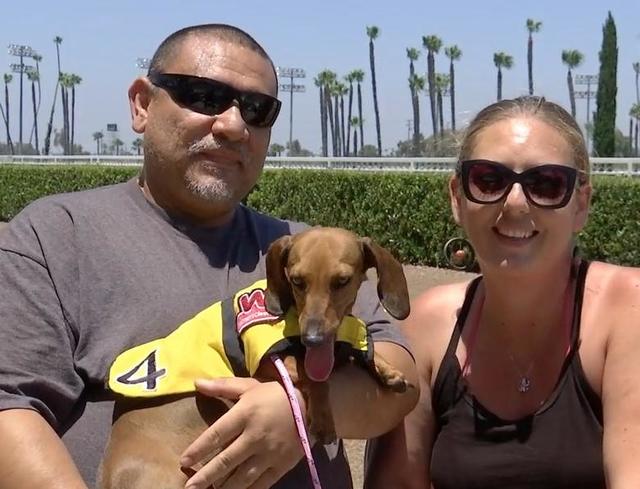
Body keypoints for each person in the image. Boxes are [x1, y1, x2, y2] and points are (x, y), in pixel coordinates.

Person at [0, 24, 418, 489]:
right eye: (202, 96)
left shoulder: (306, 251)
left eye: (257, 110)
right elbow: (9, 408)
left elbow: (400, 381)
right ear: (142, 104)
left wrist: (297, 414)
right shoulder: (55, 235)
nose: (234, 125)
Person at [364, 96, 640, 488]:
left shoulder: (628, 307)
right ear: (457, 198)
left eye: (546, 184)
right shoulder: (428, 327)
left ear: (581, 204)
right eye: (489, 180)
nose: (514, 203)